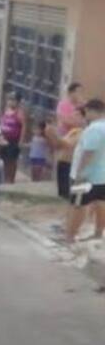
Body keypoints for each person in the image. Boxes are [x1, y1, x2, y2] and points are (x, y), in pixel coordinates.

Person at [67, 98, 105, 243]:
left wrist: (80, 173)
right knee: (101, 202)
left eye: (87, 112)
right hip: (102, 175)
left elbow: (88, 153)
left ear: (92, 111)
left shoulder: (94, 129)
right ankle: (98, 232)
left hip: (88, 175)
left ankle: (70, 236)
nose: (85, 115)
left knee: (78, 205)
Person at [46, 109, 86, 200]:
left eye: (76, 115)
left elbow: (67, 145)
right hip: (63, 162)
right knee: (62, 193)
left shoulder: (82, 132)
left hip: (70, 164)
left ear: (83, 118)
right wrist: (50, 134)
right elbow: (58, 145)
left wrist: (53, 133)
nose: (72, 117)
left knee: (68, 194)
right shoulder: (72, 132)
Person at [0, 94, 25, 184]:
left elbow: (24, 127)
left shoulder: (19, 113)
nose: (11, 102)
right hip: (4, 139)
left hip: (13, 140)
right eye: (9, 100)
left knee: (12, 160)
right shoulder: (5, 112)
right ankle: (5, 178)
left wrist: (21, 141)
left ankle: (11, 179)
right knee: (4, 160)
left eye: (13, 100)